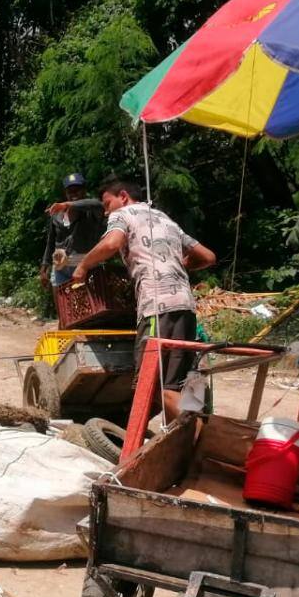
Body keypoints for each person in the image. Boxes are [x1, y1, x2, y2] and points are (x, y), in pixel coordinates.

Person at [72, 180, 216, 423]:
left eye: (108, 204)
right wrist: (178, 266)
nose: (107, 211)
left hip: (156, 309)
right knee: (176, 383)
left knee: (152, 386)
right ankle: (181, 444)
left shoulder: (123, 215)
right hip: (185, 307)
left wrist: (84, 265)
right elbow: (208, 257)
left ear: (124, 196)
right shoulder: (165, 219)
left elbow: (112, 243)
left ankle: (204, 437)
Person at [41, 173, 105, 288]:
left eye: (77, 190)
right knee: (63, 303)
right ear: (65, 193)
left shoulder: (91, 212)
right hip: (61, 268)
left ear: (84, 191)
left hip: (86, 267)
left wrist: (68, 204)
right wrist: (45, 266)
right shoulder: (56, 215)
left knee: (89, 303)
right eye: (70, 191)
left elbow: (98, 204)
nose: (73, 194)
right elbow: (50, 242)